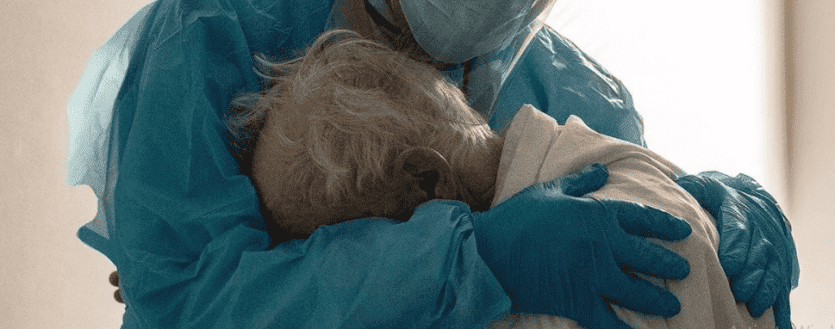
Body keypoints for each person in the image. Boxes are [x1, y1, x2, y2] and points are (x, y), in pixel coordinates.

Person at [68, 0, 798, 327]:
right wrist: (471, 257)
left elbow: (637, 232)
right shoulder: (217, 26)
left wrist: (707, 203)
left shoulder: (573, 92)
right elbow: (185, 301)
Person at [230, 28, 777, 328]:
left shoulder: (570, 294)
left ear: (427, 181)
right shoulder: (615, 162)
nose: (362, 274)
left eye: (352, 243)